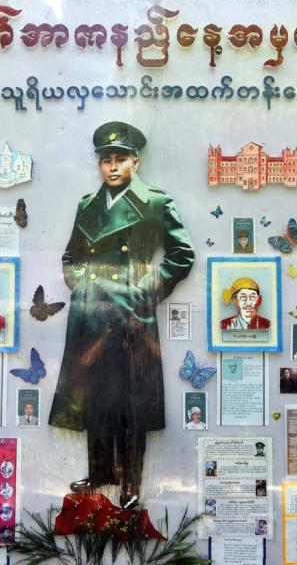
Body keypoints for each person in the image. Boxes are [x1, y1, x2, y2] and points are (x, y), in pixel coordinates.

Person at [49, 121, 195, 510]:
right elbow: (71, 255)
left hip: (132, 315)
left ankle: (130, 483)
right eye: (106, 161)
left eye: (120, 160)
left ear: (136, 161)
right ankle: (100, 472)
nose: (112, 167)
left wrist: (147, 289)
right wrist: (80, 283)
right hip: (92, 312)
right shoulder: (87, 205)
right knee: (94, 395)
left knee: (133, 400)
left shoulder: (157, 203)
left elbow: (183, 256)